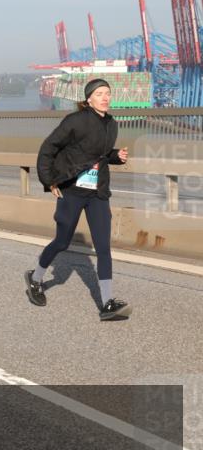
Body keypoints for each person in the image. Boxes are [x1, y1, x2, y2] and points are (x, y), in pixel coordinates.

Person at [27, 78, 132, 321]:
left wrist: (116, 156)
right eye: (99, 94)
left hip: (97, 193)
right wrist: (49, 180)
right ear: (88, 99)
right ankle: (35, 279)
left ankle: (107, 303)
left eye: (108, 93)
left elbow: (101, 155)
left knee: (103, 248)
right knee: (62, 242)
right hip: (72, 190)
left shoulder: (112, 124)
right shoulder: (75, 121)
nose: (105, 97)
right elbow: (48, 148)